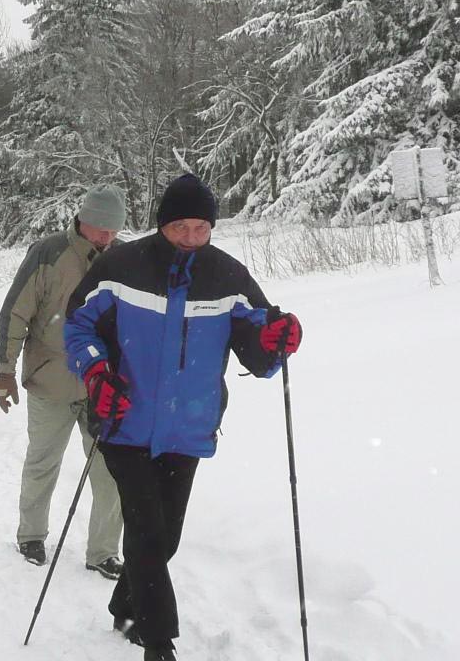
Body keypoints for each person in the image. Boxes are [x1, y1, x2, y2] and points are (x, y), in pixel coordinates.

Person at [64, 174, 303, 661]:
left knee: (165, 537)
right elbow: (77, 324)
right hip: (124, 420)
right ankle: (157, 640)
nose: (191, 237)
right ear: (162, 225)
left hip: (188, 428)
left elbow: (259, 351)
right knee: (148, 529)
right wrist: (96, 374)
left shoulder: (229, 277)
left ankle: (126, 604)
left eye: (201, 228)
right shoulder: (120, 267)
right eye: (181, 228)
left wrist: (277, 340)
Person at [0, 185, 126, 580]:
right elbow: (15, 314)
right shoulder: (48, 253)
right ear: (83, 219)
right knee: (42, 462)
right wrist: (4, 370)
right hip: (50, 379)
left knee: (111, 471)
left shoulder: (123, 258)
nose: (107, 237)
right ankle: (31, 535)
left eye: (113, 230)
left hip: (104, 385)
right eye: (101, 228)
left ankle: (103, 551)